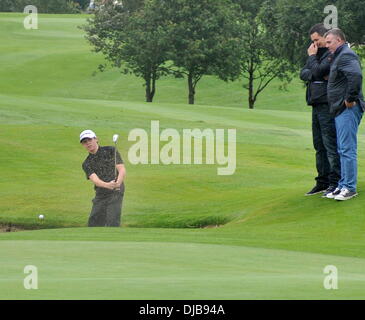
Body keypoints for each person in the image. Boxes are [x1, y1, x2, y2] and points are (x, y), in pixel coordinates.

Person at [300, 24, 341, 197]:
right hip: (315, 104)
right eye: (313, 41)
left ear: (326, 36)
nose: (314, 44)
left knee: (329, 144)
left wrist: (312, 60)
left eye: (316, 40)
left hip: (327, 104)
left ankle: (334, 182)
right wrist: (314, 71)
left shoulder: (331, 54)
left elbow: (318, 70)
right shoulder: (317, 55)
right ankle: (322, 182)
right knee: (318, 145)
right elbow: (304, 73)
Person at [324, 28, 365, 201]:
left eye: (329, 42)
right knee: (342, 148)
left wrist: (350, 98)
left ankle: (349, 187)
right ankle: (342, 184)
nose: (327, 46)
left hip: (348, 108)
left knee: (347, 149)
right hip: (340, 109)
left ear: (339, 40)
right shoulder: (338, 56)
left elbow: (355, 76)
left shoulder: (346, 55)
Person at [80, 129, 126, 226]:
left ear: (96, 139)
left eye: (90, 140)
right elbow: (95, 180)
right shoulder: (86, 163)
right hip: (101, 193)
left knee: (112, 221)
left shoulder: (110, 150)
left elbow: (121, 169)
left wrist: (118, 183)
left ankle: (114, 239)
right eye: (85, 142)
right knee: (93, 223)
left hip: (116, 191)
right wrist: (107, 185)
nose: (88, 143)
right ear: (83, 145)